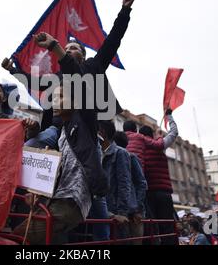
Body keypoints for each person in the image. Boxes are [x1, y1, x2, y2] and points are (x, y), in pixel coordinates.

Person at [13, 83, 108, 244]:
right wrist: (39, 191)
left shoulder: (85, 125)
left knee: (18, 238)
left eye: (61, 97)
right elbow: (61, 172)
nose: (56, 101)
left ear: (77, 102)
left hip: (70, 201)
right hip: (58, 199)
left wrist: (65, 59)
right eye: (54, 98)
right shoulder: (63, 133)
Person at [130, 108, 178, 244]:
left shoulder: (138, 149)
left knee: (150, 227)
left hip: (147, 194)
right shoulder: (159, 146)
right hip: (163, 193)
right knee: (167, 228)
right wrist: (169, 117)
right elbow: (174, 133)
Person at [97, 120, 132, 241]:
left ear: (102, 133)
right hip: (102, 210)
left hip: (115, 212)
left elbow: (124, 184)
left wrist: (122, 213)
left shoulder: (120, 153)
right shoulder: (97, 153)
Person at [113, 131, 147, 245]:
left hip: (133, 212)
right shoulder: (113, 156)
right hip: (122, 210)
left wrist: (137, 209)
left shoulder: (131, 157)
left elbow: (142, 183)